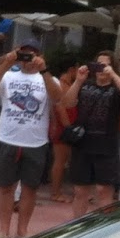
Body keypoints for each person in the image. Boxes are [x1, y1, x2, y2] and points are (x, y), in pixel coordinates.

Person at [0, 38, 63, 238]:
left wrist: (44, 71)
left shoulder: (48, 79)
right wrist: (8, 62)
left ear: (40, 56)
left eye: (32, 54)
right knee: (6, 187)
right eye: (24, 54)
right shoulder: (9, 76)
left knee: (30, 188)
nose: (28, 58)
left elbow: (57, 97)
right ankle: (3, 231)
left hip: (35, 142)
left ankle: (22, 231)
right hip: (8, 138)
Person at [60, 58, 120, 214]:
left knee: (104, 190)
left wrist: (114, 75)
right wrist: (78, 81)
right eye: (98, 64)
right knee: (80, 191)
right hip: (83, 145)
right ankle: (78, 229)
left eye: (106, 64)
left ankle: (105, 231)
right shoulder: (85, 86)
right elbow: (67, 103)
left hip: (107, 147)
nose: (102, 68)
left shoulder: (116, 90)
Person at [47, 61, 79, 203]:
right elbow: (59, 107)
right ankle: (55, 192)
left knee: (69, 159)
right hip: (63, 126)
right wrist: (67, 127)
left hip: (70, 125)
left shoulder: (70, 85)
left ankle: (68, 190)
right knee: (60, 161)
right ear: (71, 69)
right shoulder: (60, 85)